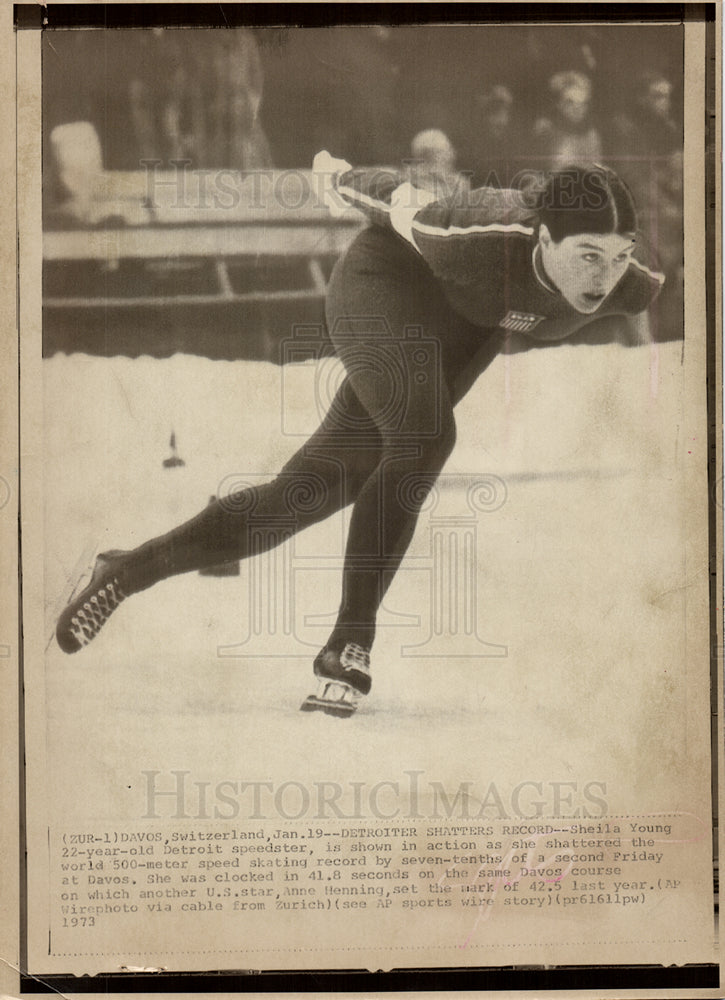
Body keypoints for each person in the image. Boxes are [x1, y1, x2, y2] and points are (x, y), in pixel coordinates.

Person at [55, 156, 664, 717]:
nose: (605, 277)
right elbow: (392, 196)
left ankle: (125, 570)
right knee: (424, 437)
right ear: (545, 236)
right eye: (588, 255)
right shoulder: (477, 230)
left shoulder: (633, 281)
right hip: (383, 287)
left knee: (307, 493)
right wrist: (335, 173)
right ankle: (348, 641)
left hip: (462, 329)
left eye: (617, 256)